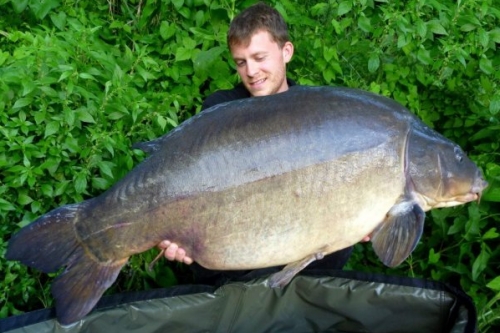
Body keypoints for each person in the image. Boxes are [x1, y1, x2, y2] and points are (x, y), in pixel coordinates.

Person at [156, 2, 369, 285]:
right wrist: (173, 232)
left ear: (286, 52)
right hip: (236, 276)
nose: (251, 72)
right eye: (241, 62)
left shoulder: (317, 113)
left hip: (311, 274)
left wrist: (366, 216)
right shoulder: (221, 109)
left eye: (259, 57)